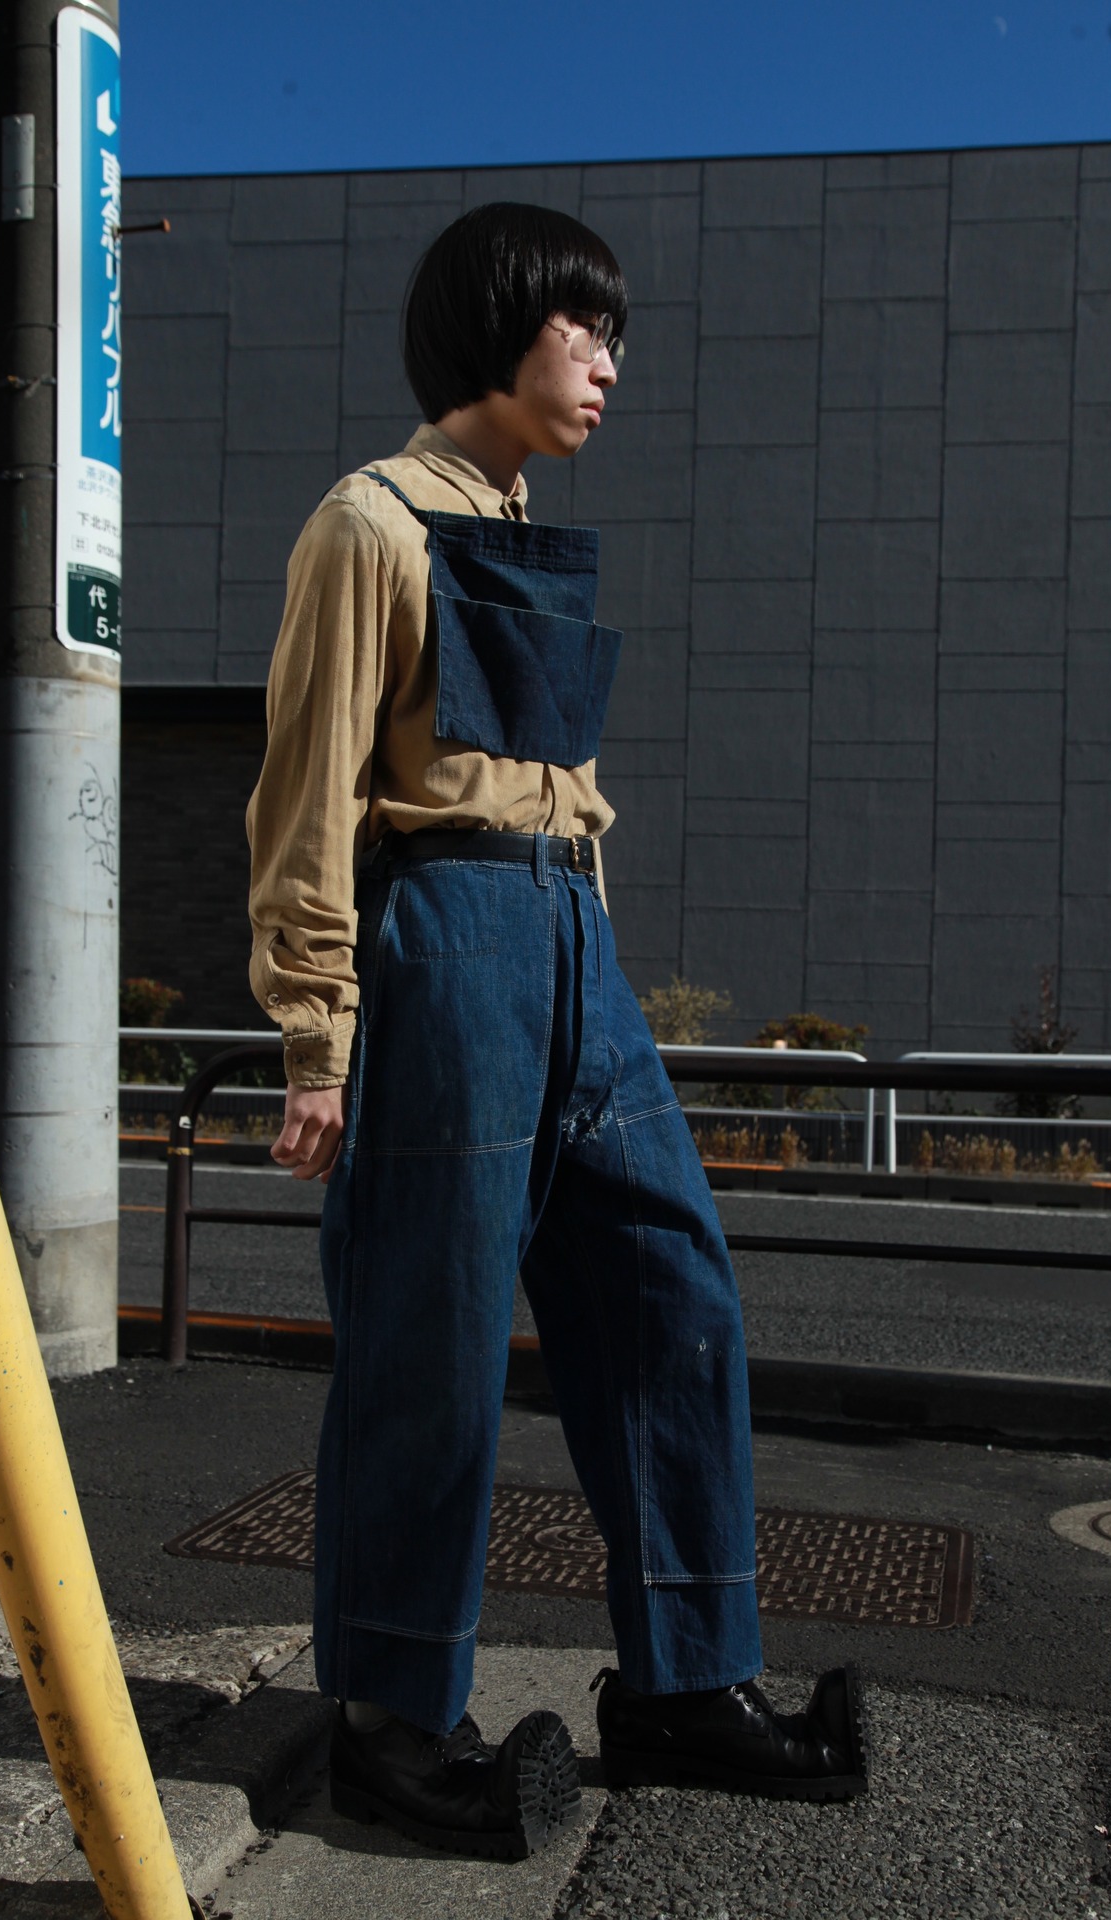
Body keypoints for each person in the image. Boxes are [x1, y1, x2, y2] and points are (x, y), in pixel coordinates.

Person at [245, 202, 867, 1862]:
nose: (608, 364)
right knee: (431, 1338)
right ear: (498, 327)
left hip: (575, 938)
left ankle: (685, 1684)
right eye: (583, 328)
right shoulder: (369, 525)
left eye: (612, 336)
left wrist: (585, 951)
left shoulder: (514, 526)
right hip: (447, 942)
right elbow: (304, 800)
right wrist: (317, 1034)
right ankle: (390, 1727)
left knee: (675, 1292)